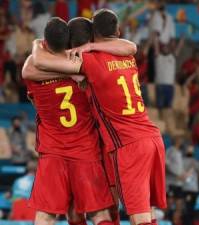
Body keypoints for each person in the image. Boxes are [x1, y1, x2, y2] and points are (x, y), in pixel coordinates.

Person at [31, 9, 167, 225]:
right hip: (142, 138)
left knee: (67, 212)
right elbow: (131, 46)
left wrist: (38, 44)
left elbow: (33, 67)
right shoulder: (126, 55)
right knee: (124, 211)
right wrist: (91, 47)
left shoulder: (88, 64)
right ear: (117, 31)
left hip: (116, 144)